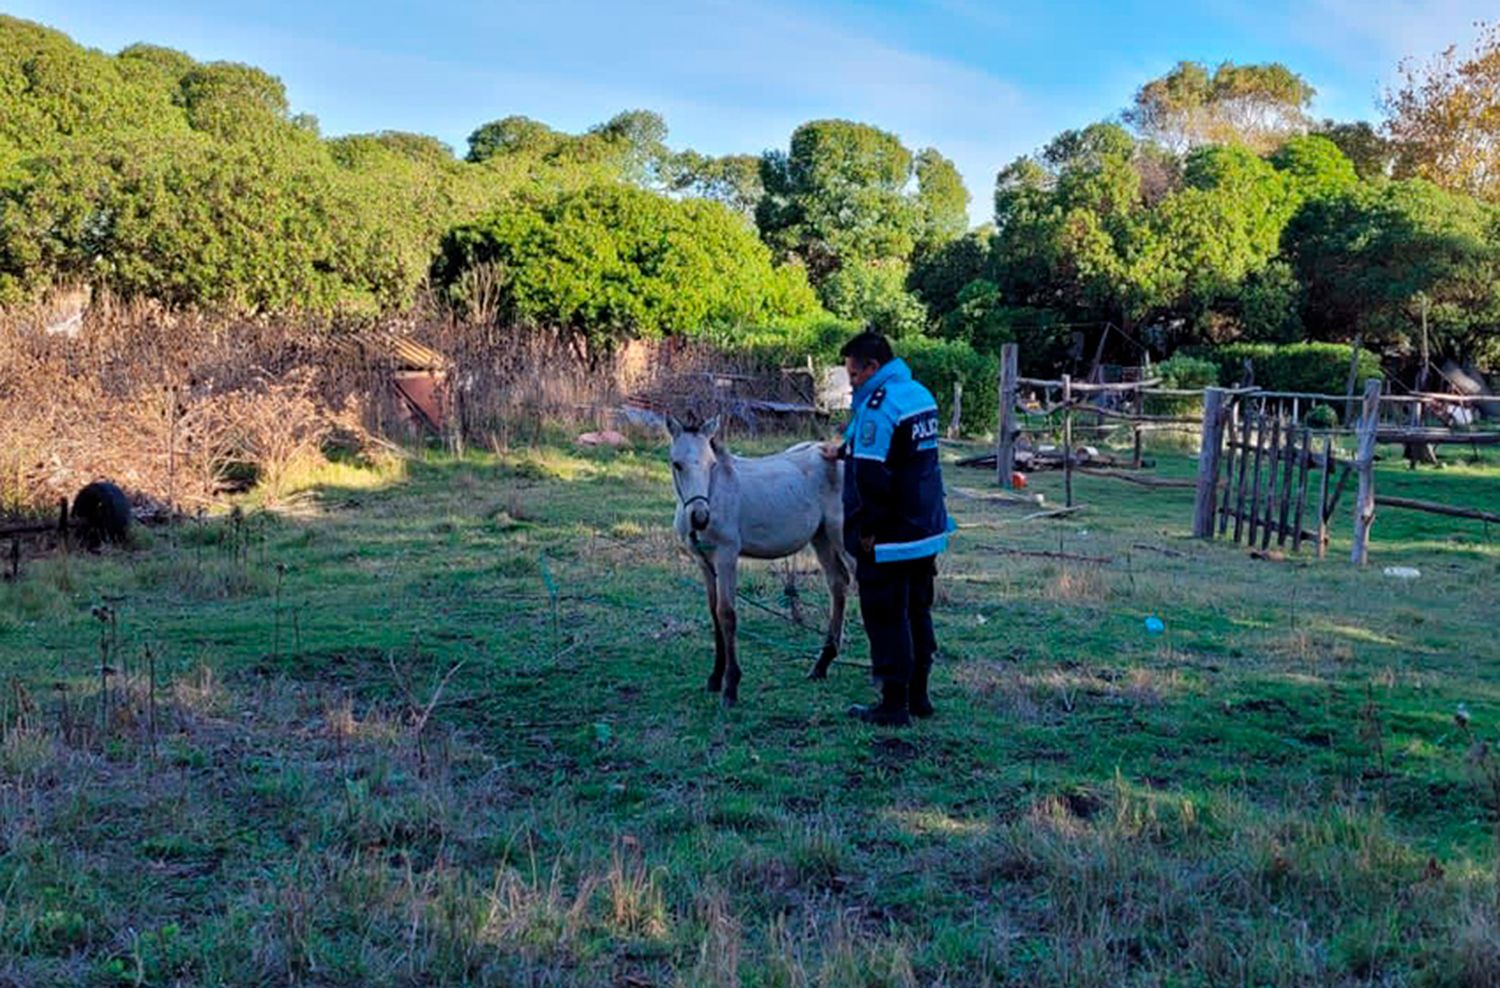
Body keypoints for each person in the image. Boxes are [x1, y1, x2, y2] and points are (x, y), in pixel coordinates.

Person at [824, 329, 951, 727]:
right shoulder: (918, 394)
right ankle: (919, 697)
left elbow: (873, 476)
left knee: (885, 616)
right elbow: (904, 453)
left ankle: (893, 705)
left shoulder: (878, 405)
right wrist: (844, 448)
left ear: (872, 368)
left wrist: (867, 532)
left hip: (890, 537)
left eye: (854, 375)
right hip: (926, 528)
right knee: (918, 611)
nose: (852, 384)